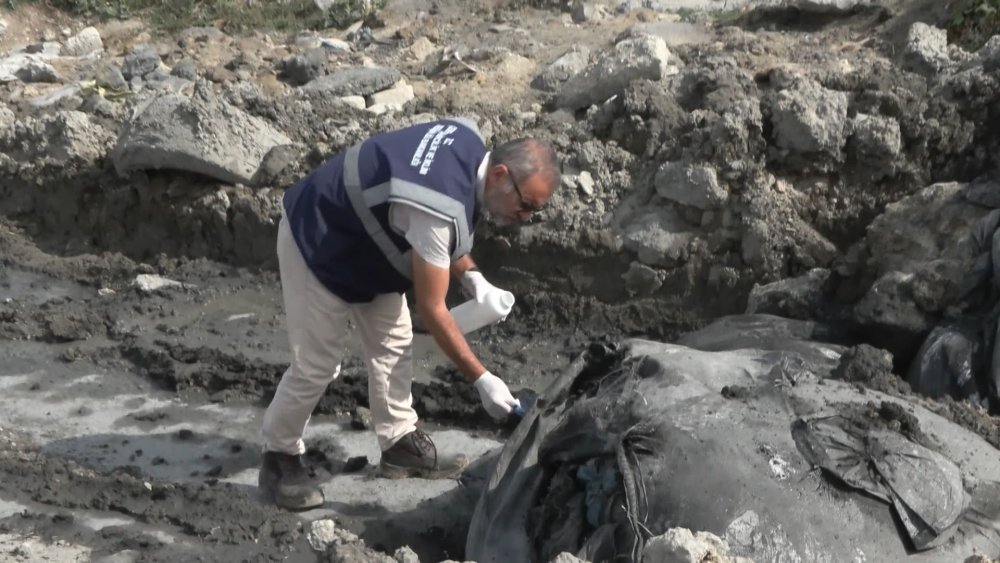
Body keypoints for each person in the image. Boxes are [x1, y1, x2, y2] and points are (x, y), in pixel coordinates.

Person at [257, 117, 561, 510]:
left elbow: (436, 233)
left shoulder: (467, 143)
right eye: (526, 205)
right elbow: (433, 308)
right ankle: (279, 457)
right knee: (317, 364)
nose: (525, 217)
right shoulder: (436, 205)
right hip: (318, 235)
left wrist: (473, 278)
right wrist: (482, 379)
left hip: (368, 244)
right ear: (500, 174)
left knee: (395, 343)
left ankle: (399, 441)